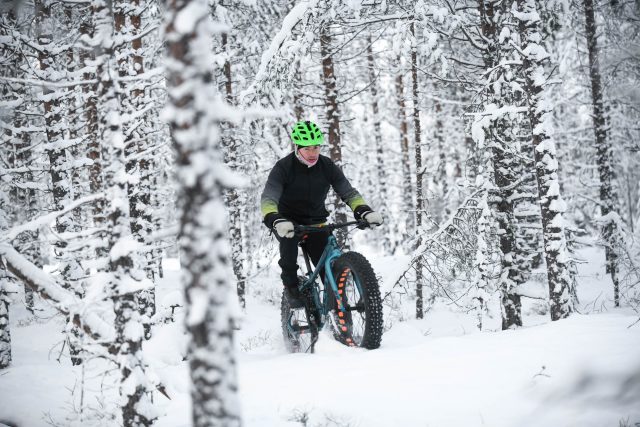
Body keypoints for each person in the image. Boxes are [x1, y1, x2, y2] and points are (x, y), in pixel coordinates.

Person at [260, 120, 383, 308]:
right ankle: (291, 288)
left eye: (316, 147)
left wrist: (363, 210)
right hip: (288, 223)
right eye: (307, 148)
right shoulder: (284, 167)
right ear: (297, 147)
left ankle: (338, 314)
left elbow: (348, 192)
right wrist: (275, 218)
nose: (313, 153)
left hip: (316, 222)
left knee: (330, 272)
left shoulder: (326, 165)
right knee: (289, 248)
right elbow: (269, 198)